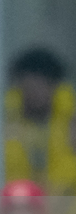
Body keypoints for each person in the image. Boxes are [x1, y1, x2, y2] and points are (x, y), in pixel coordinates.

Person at [5, 48, 76, 195]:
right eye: (28, 86)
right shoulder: (4, 123)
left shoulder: (71, 121)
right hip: (18, 209)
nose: (34, 93)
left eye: (40, 85)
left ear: (55, 86)